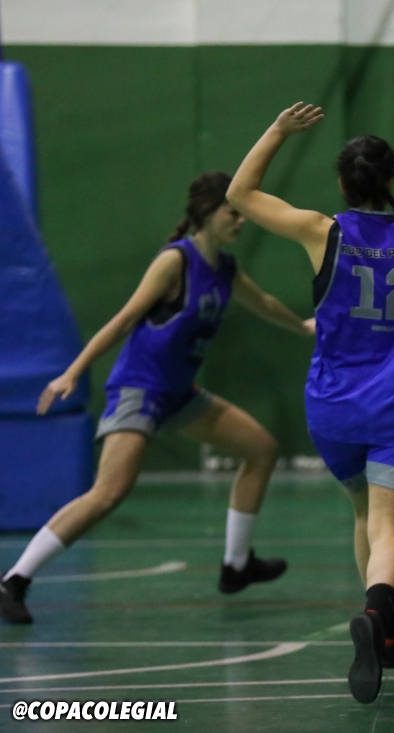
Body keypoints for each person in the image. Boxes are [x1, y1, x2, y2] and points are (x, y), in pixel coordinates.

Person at [0, 172, 309, 626]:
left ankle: (236, 565)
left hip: (178, 394)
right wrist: (73, 371)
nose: (242, 220)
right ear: (207, 213)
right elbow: (125, 319)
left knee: (261, 449)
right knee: (108, 494)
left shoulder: (225, 268)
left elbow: (262, 303)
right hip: (140, 389)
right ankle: (14, 580)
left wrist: (303, 327)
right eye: (233, 212)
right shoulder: (175, 261)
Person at [226, 102, 394, 705]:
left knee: (363, 514)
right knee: (392, 527)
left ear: (344, 186)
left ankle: (383, 625)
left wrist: (277, 129)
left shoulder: (323, 231)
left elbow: (240, 194)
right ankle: (379, 612)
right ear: (391, 179)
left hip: (333, 407)